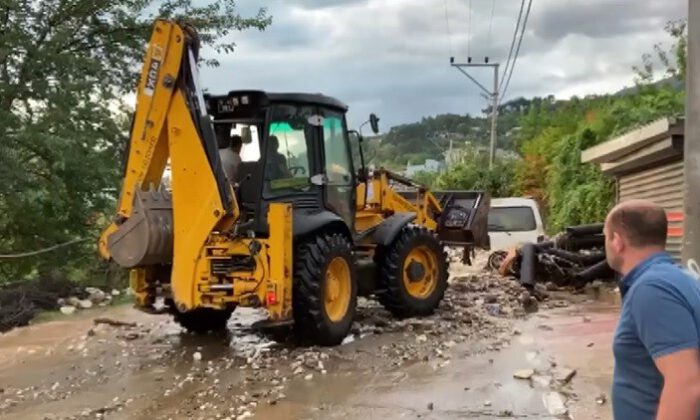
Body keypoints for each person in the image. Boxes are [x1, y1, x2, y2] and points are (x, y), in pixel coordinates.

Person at [606, 199, 700, 420]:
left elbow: (686, 383)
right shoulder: (680, 278)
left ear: (617, 241)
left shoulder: (651, 289)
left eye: (606, 236)